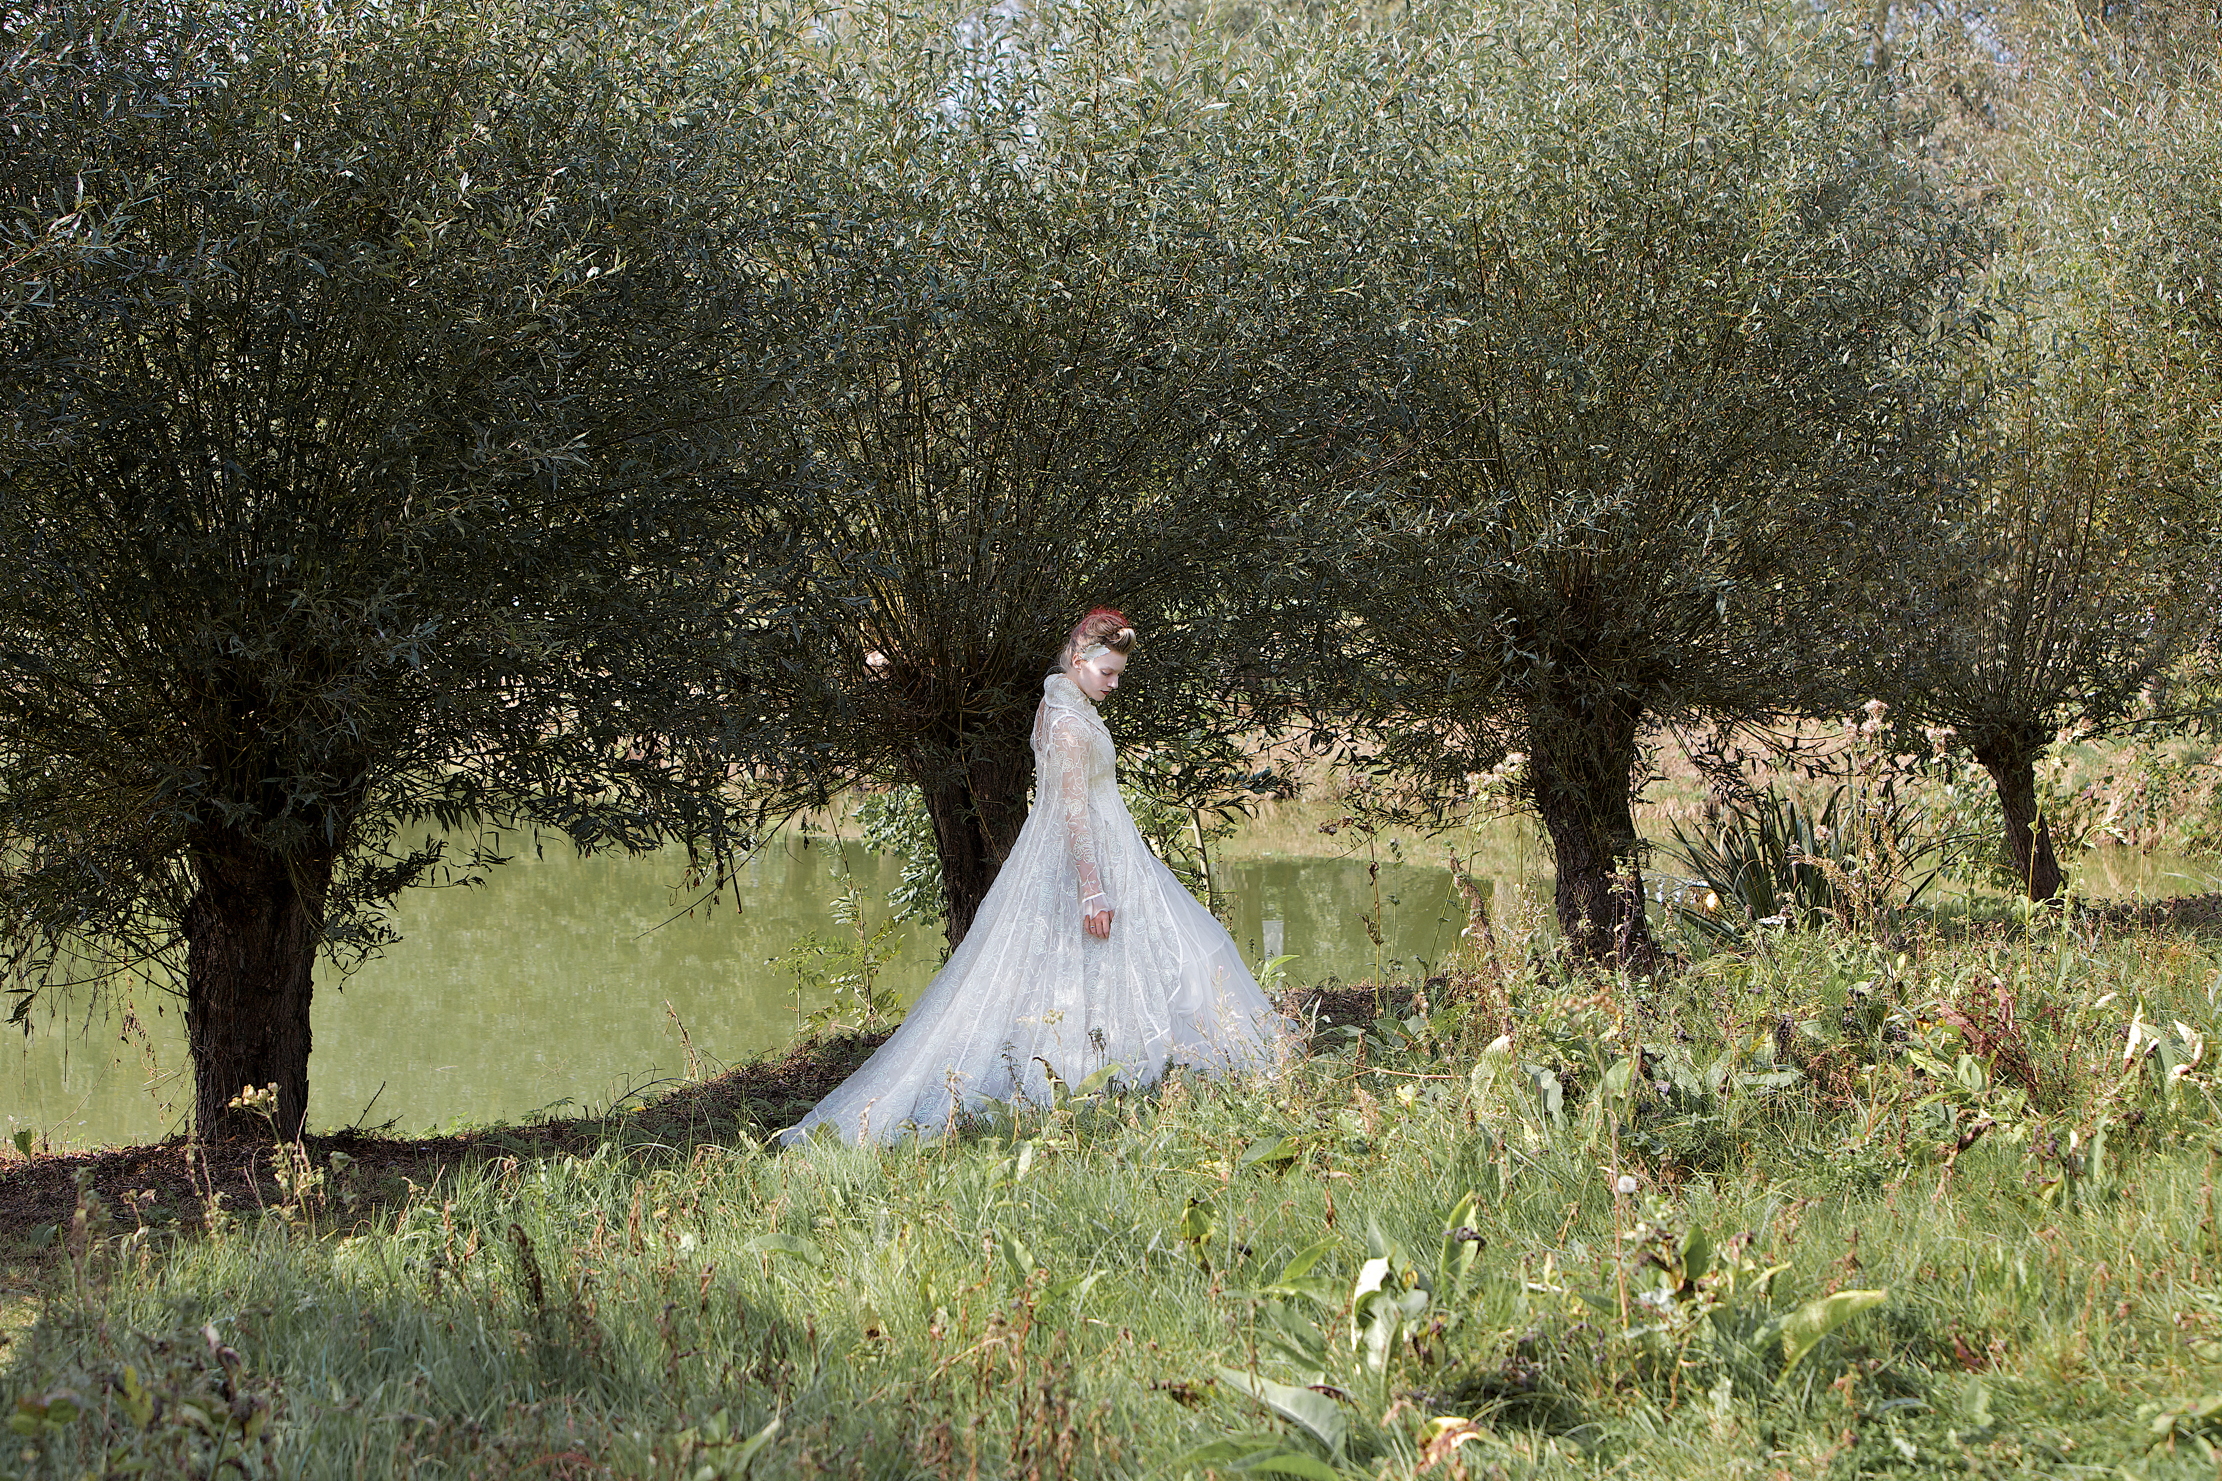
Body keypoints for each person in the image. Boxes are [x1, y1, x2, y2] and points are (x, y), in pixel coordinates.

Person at [780, 608, 1291, 1144]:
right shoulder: (1068, 722)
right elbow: (1073, 810)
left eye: (1118, 673)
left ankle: (1120, 1072)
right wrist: (1093, 889)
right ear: (1078, 659)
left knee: (1149, 955)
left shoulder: (1064, 700)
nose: (1114, 684)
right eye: (1107, 672)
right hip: (1090, 858)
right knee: (1113, 958)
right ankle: (1090, 1078)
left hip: (1108, 847)